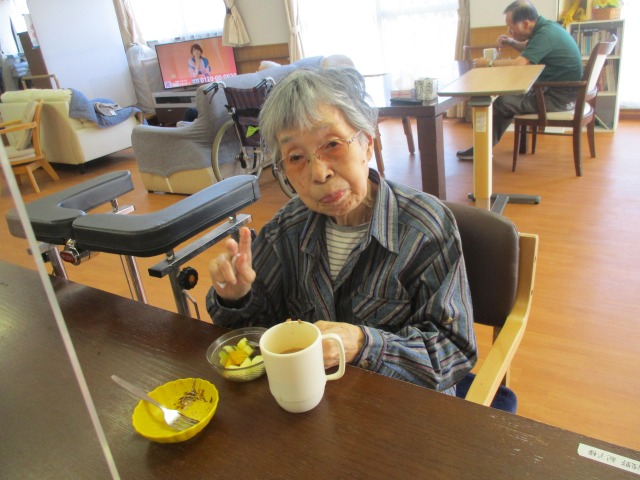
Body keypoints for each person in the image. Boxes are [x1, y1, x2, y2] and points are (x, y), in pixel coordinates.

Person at [206, 66, 477, 394]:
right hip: (313, 398)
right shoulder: (286, 229)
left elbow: (453, 351)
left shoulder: (425, 228)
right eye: (296, 157)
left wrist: (363, 345)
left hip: (401, 405)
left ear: (367, 143)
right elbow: (259, 333)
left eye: (332, 144)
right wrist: (238, 298)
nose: (318, 173)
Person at [456, 0, 583, 160]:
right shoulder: (548, 28)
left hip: (557, 99)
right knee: (508, 99)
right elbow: (528, 47)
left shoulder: (545, 35)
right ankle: (484, 147)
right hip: (561, 94)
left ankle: (481, 149)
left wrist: (488, 63)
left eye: (511, 28)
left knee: (502, 102)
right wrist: (511, 42)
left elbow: (519, 64)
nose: (509, 31)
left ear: (526, 23)